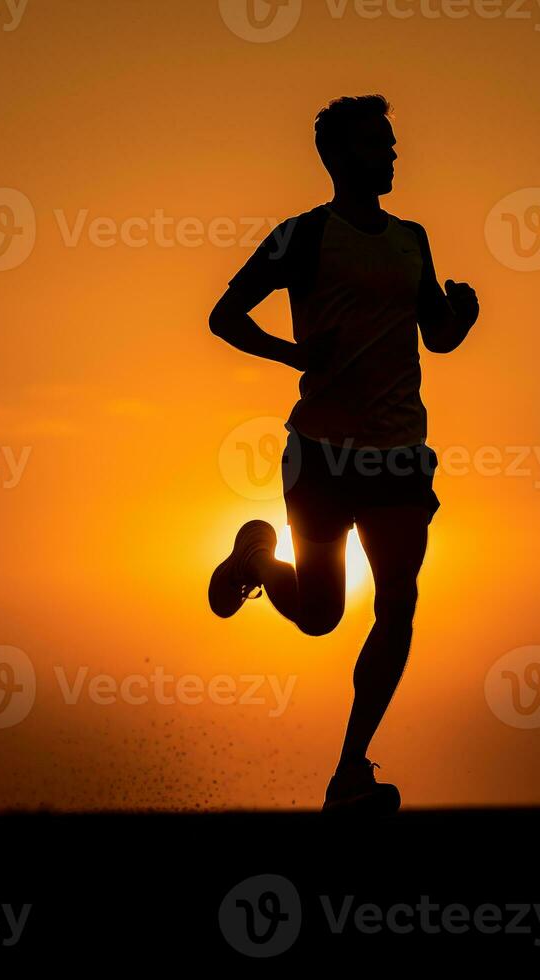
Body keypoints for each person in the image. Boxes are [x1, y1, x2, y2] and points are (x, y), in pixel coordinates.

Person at [208, 95, 479, 814]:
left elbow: (437, 336)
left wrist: (464, 318)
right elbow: (224, 316)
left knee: (398, 604)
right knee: (323, 614)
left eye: (393, 142)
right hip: (322, 452)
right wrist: (294, 352)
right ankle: (260, 562)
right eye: (377, 143)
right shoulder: (302, 236)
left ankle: (349, 773)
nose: (392, 153)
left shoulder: (413, 239)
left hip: (397, 454)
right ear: (339, 156)